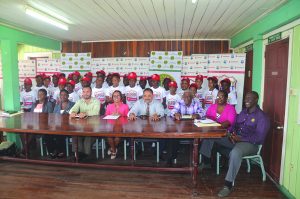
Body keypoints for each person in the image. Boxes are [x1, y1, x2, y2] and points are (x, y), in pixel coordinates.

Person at [200, 91, 270, 197]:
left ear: (256, 100)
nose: (247, 100)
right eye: (246, 98)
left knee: (235, 153)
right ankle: (205, 163)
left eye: (250, 98)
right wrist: (231, 134)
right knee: (211, 136)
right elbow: (234, 126)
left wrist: (240, 139)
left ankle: (228, 185)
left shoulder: (262, 117)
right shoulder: (243, 112)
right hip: (236, 139)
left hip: (250, 144)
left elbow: (259, 138)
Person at [166, 90, 205, 165]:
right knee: (171, 136)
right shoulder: (180, 102)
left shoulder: (196, 103)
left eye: (188, 97)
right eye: (185, 97)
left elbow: (203, 112)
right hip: (181, 128)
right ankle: (170, 158)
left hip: (194, 129)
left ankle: (197, 160)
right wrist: (176, 114)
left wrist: (198, 115)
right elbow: (172, 111)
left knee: (200, 139)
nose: (186, 98)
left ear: (192, 97)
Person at [69, 86, 101, 159]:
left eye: (87, 92)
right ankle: (77, 153)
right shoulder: (80, 101)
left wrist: (85, 113)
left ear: (91, 92)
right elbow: (72, 110)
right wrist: (73, 112)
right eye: (84, 92)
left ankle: (85, 154)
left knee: (88, 135)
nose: (85, 93)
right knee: (75, 134)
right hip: (82, 126)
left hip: (93, 126)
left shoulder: (96, 101)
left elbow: (96, 112)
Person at [48, 90, 75, 158]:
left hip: (69, 126)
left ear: (68, 96)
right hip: (58, 125)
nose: (63, 96)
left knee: (59, 133)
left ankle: (61, 151)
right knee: (47, 133)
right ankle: (52, 150)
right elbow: (53, 116)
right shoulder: (57, 105)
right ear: (59, 96)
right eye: (61, 95)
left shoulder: (73, 104)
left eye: (65, 95)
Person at [105, 90, 129, 159]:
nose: (116, 97)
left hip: (121, 126)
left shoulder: (125, 106)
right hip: (111, 126)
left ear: (121, 97)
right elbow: (106, 117)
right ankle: (114, 150)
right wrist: (112, 115)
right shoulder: (109, 106)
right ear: (112, 97)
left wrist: (120, 115)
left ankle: (112, 149)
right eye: (114, 96)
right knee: (109, 136)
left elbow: (128, 118)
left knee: (117, 137)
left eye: (118, 95)